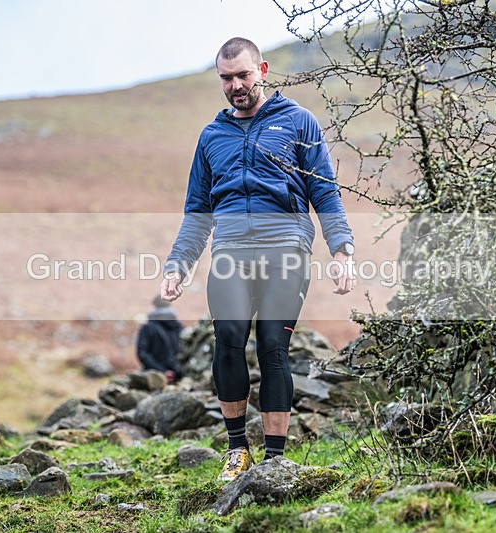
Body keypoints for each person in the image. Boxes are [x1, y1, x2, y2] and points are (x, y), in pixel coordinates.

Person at [160, 37, 356, 481]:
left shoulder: (298, 121)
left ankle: (274, 459)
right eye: (226, 78)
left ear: (262, 71)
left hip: (286, 245)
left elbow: (325, 191)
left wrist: (341, 250)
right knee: (228, 337)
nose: (235, 86)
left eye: (243, 75)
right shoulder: (212, 136)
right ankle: (237, 450)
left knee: (272, 345)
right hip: (230, 249)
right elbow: (198, 211)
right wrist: (178, 264)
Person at [136, 295, 184, 383]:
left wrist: (162, 371)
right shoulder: (180, 327)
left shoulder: (147, 328)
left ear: (155, 306)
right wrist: (178, 371)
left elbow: (142, 354)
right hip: (180, 377)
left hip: (154, 378)